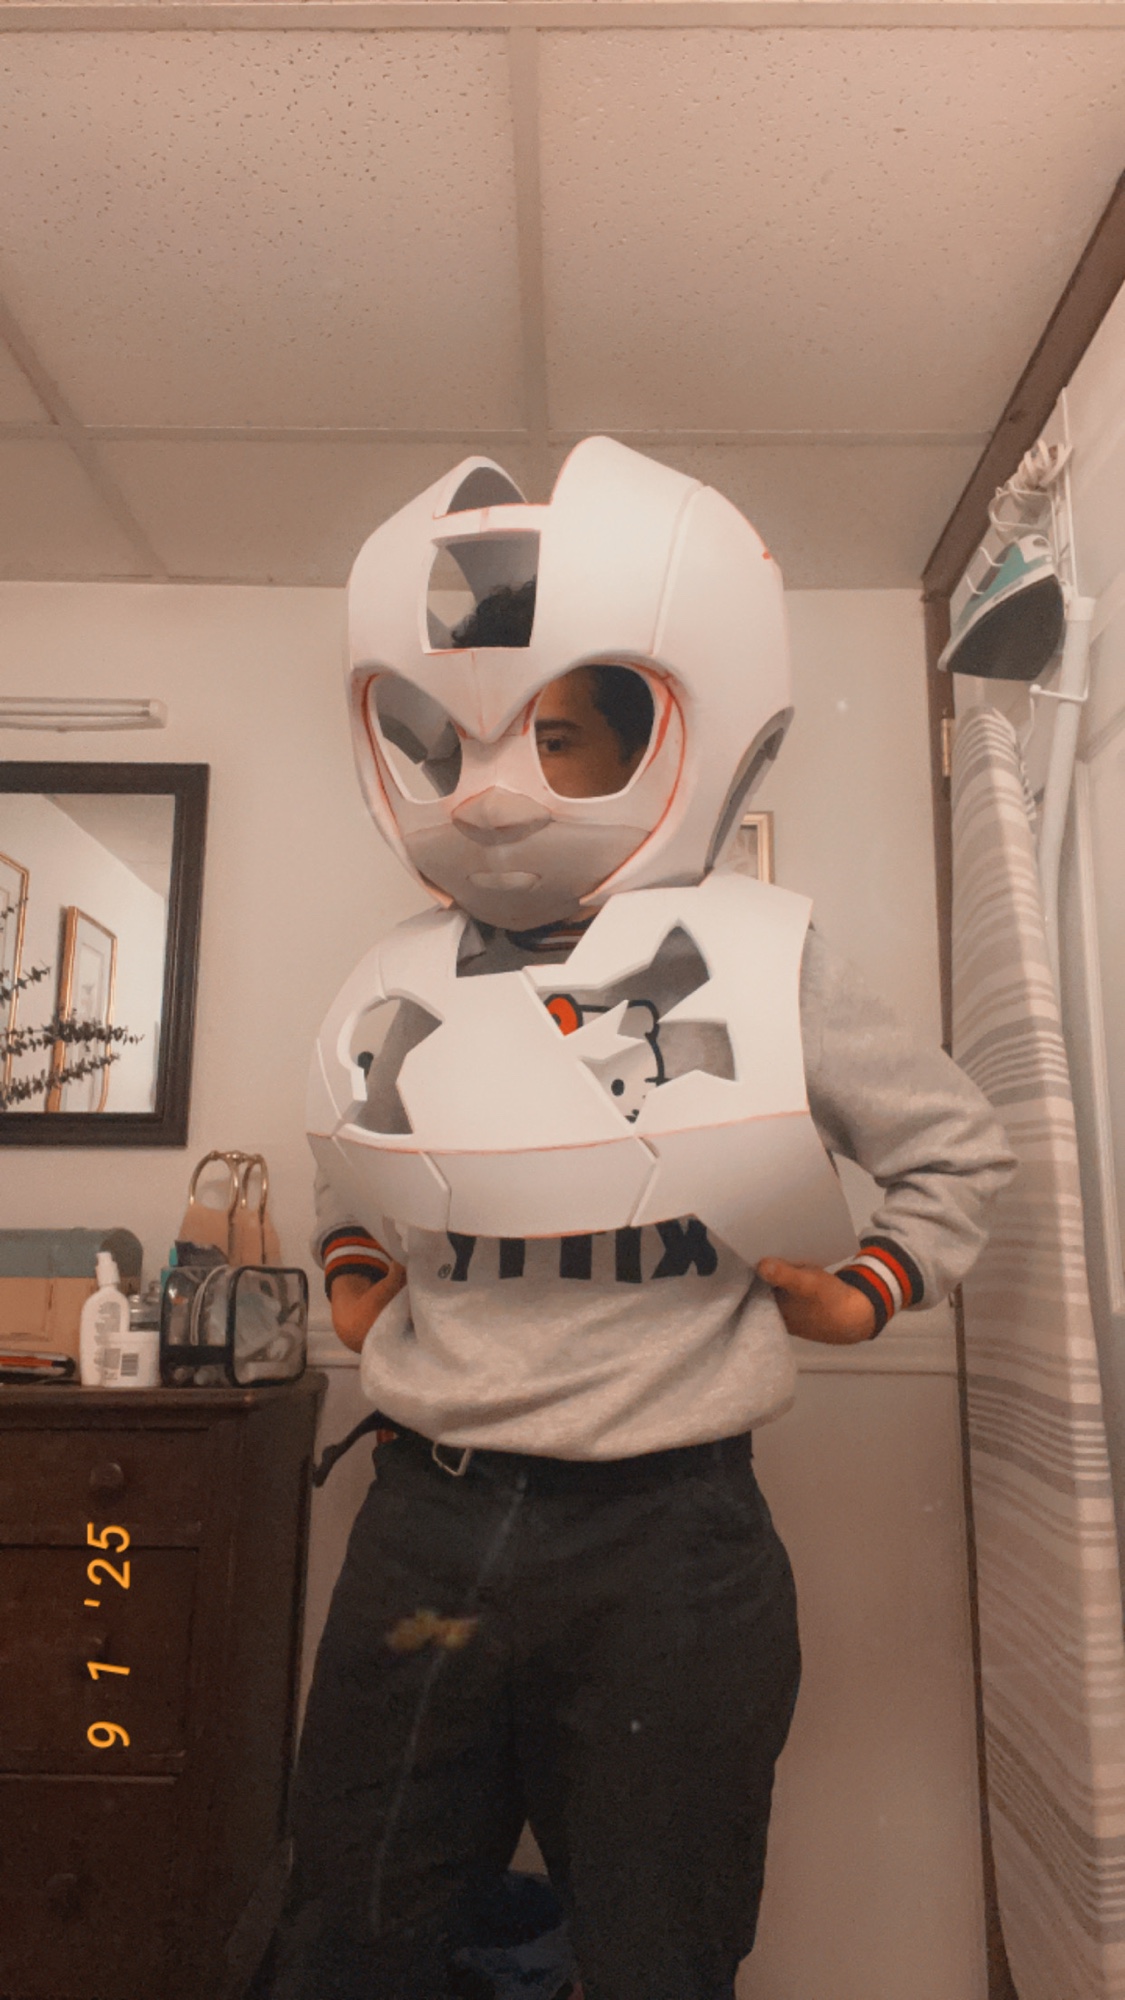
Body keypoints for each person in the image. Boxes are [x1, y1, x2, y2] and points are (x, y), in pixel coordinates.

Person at [267, 439, 1015, 2000]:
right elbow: (349, 1151)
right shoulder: (401, 969)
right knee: (357, 1927)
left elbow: (952, 1148)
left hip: (665, 1539)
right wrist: (351, 1266)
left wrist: (870, 1287)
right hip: (429, 1520)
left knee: (660, 1946)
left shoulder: (758, 964)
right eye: (473, 743)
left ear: (650, 750)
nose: (500, 785)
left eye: (557, 741)